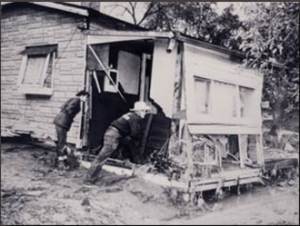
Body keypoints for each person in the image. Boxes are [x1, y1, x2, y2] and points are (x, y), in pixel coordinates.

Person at [84, 101, 151, 183]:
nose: (145, 113)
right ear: (138, 111)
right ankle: (89, 179)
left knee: (105, 156)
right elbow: (135, 133)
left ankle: (92, 177)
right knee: (101, 158)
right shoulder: (135, 118)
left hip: (112, 133)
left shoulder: (129, 115)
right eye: (144, 111)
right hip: (113, 136)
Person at [53, 90, 89, 166]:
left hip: (60, 122)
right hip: (62, 122)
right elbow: (69, 109)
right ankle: (61, 162)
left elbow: (63, 107)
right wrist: (71, 117)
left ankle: (63, 159)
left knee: (61, 141)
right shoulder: (77, 100)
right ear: (82, 95)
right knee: (62, 142)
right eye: (86, 97)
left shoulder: (73, 99)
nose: (86, 99)